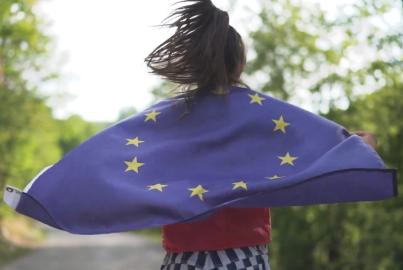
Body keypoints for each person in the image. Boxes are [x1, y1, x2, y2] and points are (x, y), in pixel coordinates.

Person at [144, 1, 380, 270]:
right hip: (243, 259)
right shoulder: (263, 115)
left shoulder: (167, 119)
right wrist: (363, 147)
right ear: (240, 64)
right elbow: (319, 145)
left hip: (182, 261)